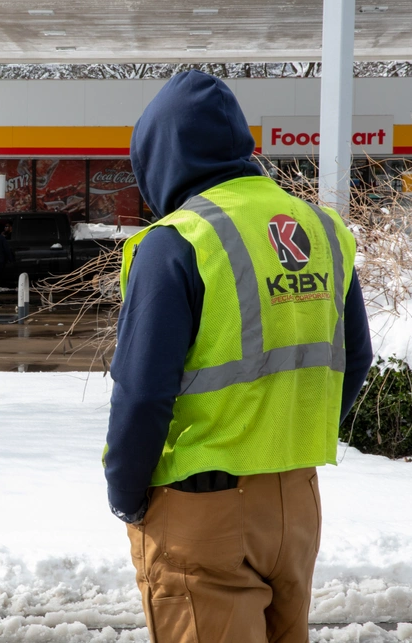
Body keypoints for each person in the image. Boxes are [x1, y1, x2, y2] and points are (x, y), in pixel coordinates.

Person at [104, 71, 373, 643]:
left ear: (161, 155)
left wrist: (127, 492)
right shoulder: (324, 228)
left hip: (203, 509)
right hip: (297, 502)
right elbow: (356, 359)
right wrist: (287, 440)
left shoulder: (176, 242)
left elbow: (142, 390)